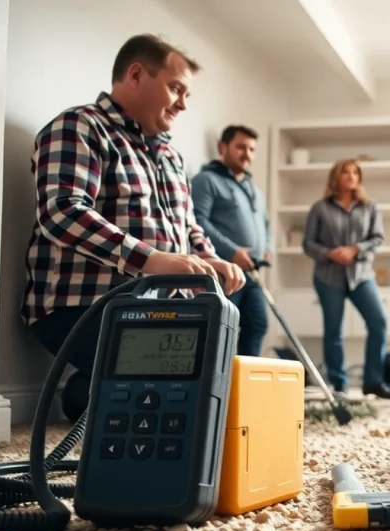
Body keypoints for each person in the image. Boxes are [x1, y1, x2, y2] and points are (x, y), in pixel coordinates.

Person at [20, 34, 245, 423]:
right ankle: (91, 392)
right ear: (137, 74)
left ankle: (86, 394)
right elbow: (62, 212)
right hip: (82, 307)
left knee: (217, 383)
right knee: (182, 394)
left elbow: (187, 225)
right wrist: (150, 261)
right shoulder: (79, 127)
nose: (184, 104)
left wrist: (208, 256)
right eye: (176, 89)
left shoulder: (172, 156)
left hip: (161, 307)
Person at [302, 160, 390, 399]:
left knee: (379, 322)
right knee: (334, 330)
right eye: (346, 172)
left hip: (362, 276)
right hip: (328, 276)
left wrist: (355, 249)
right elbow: (307, 243)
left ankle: (373, 381)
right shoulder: (320, 208)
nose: (351, 176)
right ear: (335, 177)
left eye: (355, 172)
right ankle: (339, 384)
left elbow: (378, 239)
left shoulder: (370, 207)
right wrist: (329, 253)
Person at [191, 125, 272, 357]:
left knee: (257, 325)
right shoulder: (206, 180)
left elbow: (266, 225)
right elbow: (197, 220)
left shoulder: (253, 189)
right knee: (222, 328)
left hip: (252, 273)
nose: (247, 154)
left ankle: (245, 385)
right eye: (240, 147)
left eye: (252, 149)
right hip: (223, 272)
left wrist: (267, 248)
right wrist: (232, 251)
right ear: (222, 147)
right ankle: (217, 386)